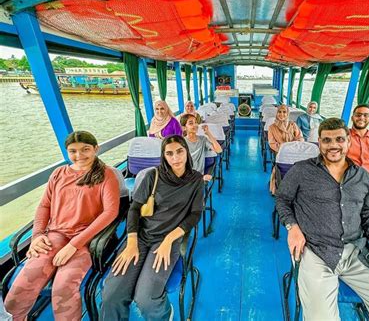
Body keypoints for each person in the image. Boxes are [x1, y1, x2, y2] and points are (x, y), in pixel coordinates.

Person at [275, 118, 369, 321]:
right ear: (319, 143)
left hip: (357, 254)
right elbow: (282, 199)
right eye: (327, 140)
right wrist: (293, 227)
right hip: (316, 251)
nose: (333, 145)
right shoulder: (302, 171)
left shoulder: (363, 177)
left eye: (339, 139)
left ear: (348, 142)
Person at [5, 131, 120, 320]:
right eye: (73, 151)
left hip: (86, 239)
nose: (79, 155)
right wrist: (37, 236)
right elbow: (44, 205)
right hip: (56, 234)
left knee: (64, 286)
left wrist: (73, 245)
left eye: (85, 150)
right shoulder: (58, 174)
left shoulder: (106, 175)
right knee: (25, 281)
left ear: (95, 149)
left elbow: (110, 212)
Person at [101, 135, 204, 321]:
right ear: (164, 156)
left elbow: (195, 214)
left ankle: (164, 315)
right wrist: (131, 242)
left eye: (180, 151)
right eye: (169, 153)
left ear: (186, 152)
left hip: (168, 240)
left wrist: (169, 239)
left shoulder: (195, 179)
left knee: (146, 299)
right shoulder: (152, 176)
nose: (175, 158)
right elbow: (134, 209)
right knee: (111, 295)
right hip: (140, 238)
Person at [180, 114, 222, 181]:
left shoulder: (202, 140)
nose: (195, 125)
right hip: (183, 177)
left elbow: (219, 150)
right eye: (191, 123)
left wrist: (208, 133)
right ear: (184, 127)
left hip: (197, 177)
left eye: (196, 122)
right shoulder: (181, 142)